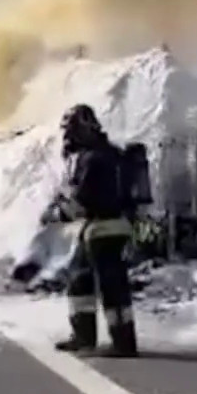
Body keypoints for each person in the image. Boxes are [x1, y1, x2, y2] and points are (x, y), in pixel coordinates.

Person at [46, 104, 139, 357]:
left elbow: (81, 201)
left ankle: (119, 344)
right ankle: (91, 338)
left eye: (70, 131)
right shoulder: (114, 154)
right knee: (82, 280)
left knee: (108, 287)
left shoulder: (91, 159)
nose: (68, 138)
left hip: (101, 229)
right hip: (114, 227)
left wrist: (56, 213)